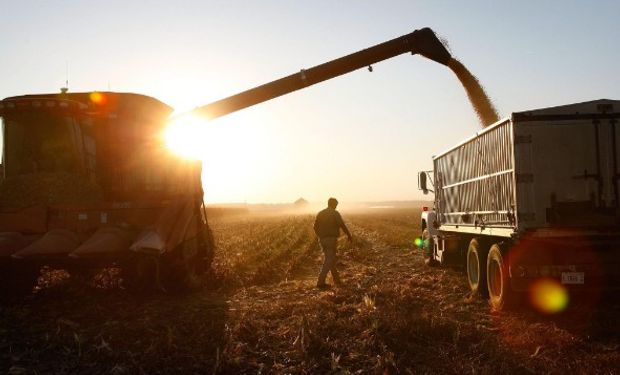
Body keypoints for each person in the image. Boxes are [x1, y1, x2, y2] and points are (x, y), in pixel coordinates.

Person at [313, 197, 352, 288]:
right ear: (333, 204)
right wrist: (349, 235)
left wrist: (320, 236)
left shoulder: (321, 213)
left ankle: (337, 280)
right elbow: (342, 225)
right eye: (336, 205)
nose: (336, 206)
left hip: (322, 239)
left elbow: (315, 226)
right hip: (331, 239)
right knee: (329, 260)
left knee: (331, 259)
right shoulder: (335, 213)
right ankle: (320, 282)